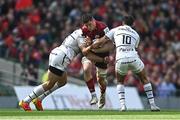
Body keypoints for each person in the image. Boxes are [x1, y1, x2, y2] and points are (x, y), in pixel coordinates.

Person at [19, 29, 107, 111]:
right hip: (62, 57)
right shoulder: (82, 35)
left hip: (58, 53)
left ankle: (39, 100)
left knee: (62, 81)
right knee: (49, 84)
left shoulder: (79, 32)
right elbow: (85, 52)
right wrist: (100, 56)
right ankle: (26, 101)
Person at [91, 15, 160, 111]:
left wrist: (91, 46)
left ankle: (123, 106)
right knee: (144, 79)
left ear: (122, 23)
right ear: (133, 24)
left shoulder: (116, 29)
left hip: (120, 58)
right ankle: (152, 105)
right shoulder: (136, 34)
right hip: (133, 57)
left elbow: (101, 41)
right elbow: (134, 46)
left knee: (120, 81)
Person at [79, 13, 114, 108]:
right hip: (90, 54)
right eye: (86, 25)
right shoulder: (84, 30)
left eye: (90, 24)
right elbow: (85, 50)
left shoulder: (103, 27)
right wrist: (91, 46)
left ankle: (102, 94)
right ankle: (93, 96)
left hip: (103, 55)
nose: (88, 27)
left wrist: (96, 47)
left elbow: (111, 45)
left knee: (101, 80)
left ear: (93, 20)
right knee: (86, 69)